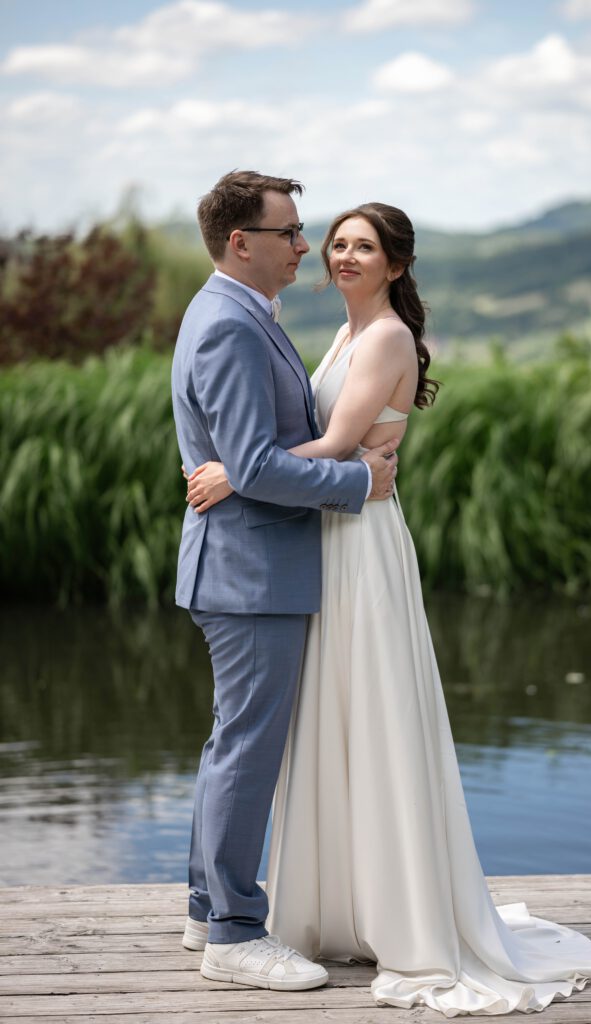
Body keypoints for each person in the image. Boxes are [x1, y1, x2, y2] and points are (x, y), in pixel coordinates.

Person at [184, 202, 591, 1015]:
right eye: (335, 243)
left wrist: (237, 472)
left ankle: (396, 910)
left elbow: (342, 445)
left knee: (372, 713)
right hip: (328, 537)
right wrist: (255, 467)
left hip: (361, 544)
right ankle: (336, 904)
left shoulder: (381, 338)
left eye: (361, 247)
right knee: (329, 717)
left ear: (396, 265)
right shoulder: (346, 334)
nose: (340, 256)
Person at [170, 172, 399, 993]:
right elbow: (257, 467)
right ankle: (233, 932)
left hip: (245, 568)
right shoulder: (229, 325)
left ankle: (208, 907)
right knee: (245, 748)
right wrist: (355, 485)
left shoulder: (233, 313)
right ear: (243, 243)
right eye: (292, 233)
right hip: (250, 573)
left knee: (232, 741)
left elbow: (243, 463)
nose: (306, 246)